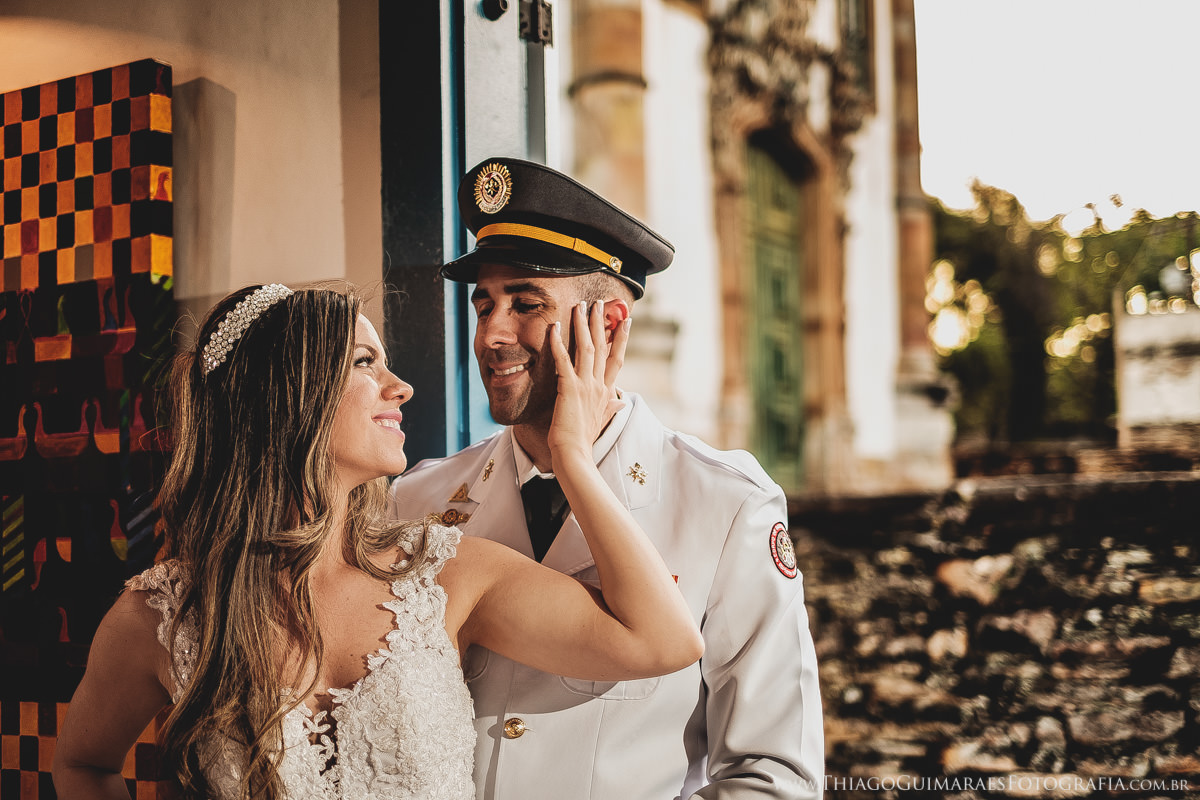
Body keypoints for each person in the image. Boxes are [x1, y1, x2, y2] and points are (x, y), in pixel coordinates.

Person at [51, 282, 702, 800]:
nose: (402, 387)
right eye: (366, 362)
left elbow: (663, 641)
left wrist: (573, 457)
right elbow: (81, 764)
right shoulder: (159, 617)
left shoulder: (445, 574)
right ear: (287, 395)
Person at [389, 157, 824, 800]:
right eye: (484, 305)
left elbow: (774, 775)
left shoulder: (727, 506)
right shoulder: (415, 500)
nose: (491, 334)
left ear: (609, 325)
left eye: (526, 304)